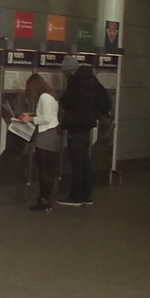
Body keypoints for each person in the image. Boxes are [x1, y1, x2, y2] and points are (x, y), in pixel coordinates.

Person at [58, 55, 111, 206]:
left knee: (77, 162)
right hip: (87, 124)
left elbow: (67, 102)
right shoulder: (92, 80)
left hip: (76, 124)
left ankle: (75, 196)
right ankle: (87, 195)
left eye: (64, 72)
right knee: (85, 161)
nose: (64, 75)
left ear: (69, 70)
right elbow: (104, 100)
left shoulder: (75, 82)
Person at [19, 73, 60, 212]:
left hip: (45, 135)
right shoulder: (50, 96)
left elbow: (46, 118)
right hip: (52, 134)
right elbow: (48, 115)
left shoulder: (44, 97)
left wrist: (29, 120)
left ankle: (43, 200)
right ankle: (46, 200)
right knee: (48, 170)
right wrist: (33, 115)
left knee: (43, 170)